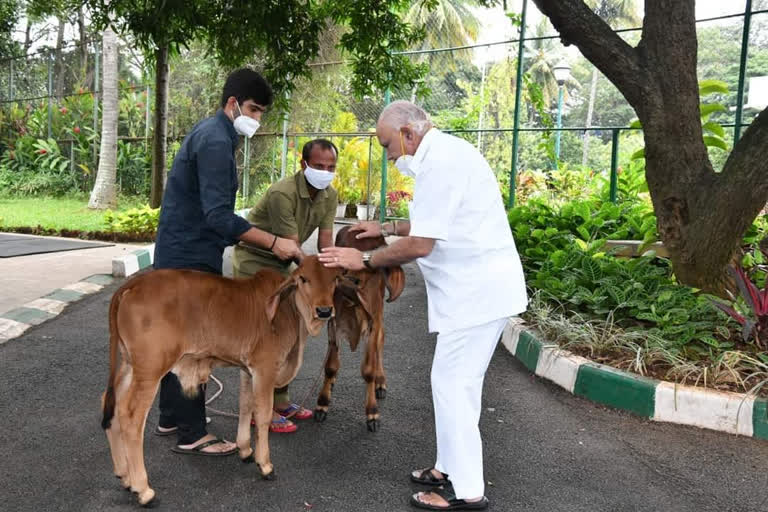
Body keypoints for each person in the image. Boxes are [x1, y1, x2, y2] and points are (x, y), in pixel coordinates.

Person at [318, 100, 527, 511]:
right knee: (449, 384)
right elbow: (433, 222)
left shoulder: (440, 164)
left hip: (477, 296)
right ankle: (447, 467)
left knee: (455, 388)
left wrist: (360, 260)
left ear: (409, 134)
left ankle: (468, 492)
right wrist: (386, 227)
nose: (388, 155)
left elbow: (422, 244)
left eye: (387, 145)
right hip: (472, 295)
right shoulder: (445, 155)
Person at [153, 68, 302, 456]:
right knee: (195, 342)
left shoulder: (216, 134)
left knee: (176, 337)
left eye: (262, 113)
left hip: (181, 250)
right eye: (253, 109)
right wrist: (275, 244)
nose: (257, 119)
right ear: (232, 103)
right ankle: (192, 433)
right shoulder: (216, 141)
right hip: (189, 256)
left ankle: (171, 416)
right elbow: (218, 216)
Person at [232, 138, 339, 433]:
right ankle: (257, 407)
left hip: (290, 265)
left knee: (291, 332)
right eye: (319, 166)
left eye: (331, 167)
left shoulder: (330, 196)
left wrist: (332, 277)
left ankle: (280, 399)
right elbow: (292, 248)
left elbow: (325, 245)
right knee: (265, 336)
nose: (325, 171)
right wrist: (316, 283)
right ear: (304, 165)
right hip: (257, 261)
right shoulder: (283, 193)